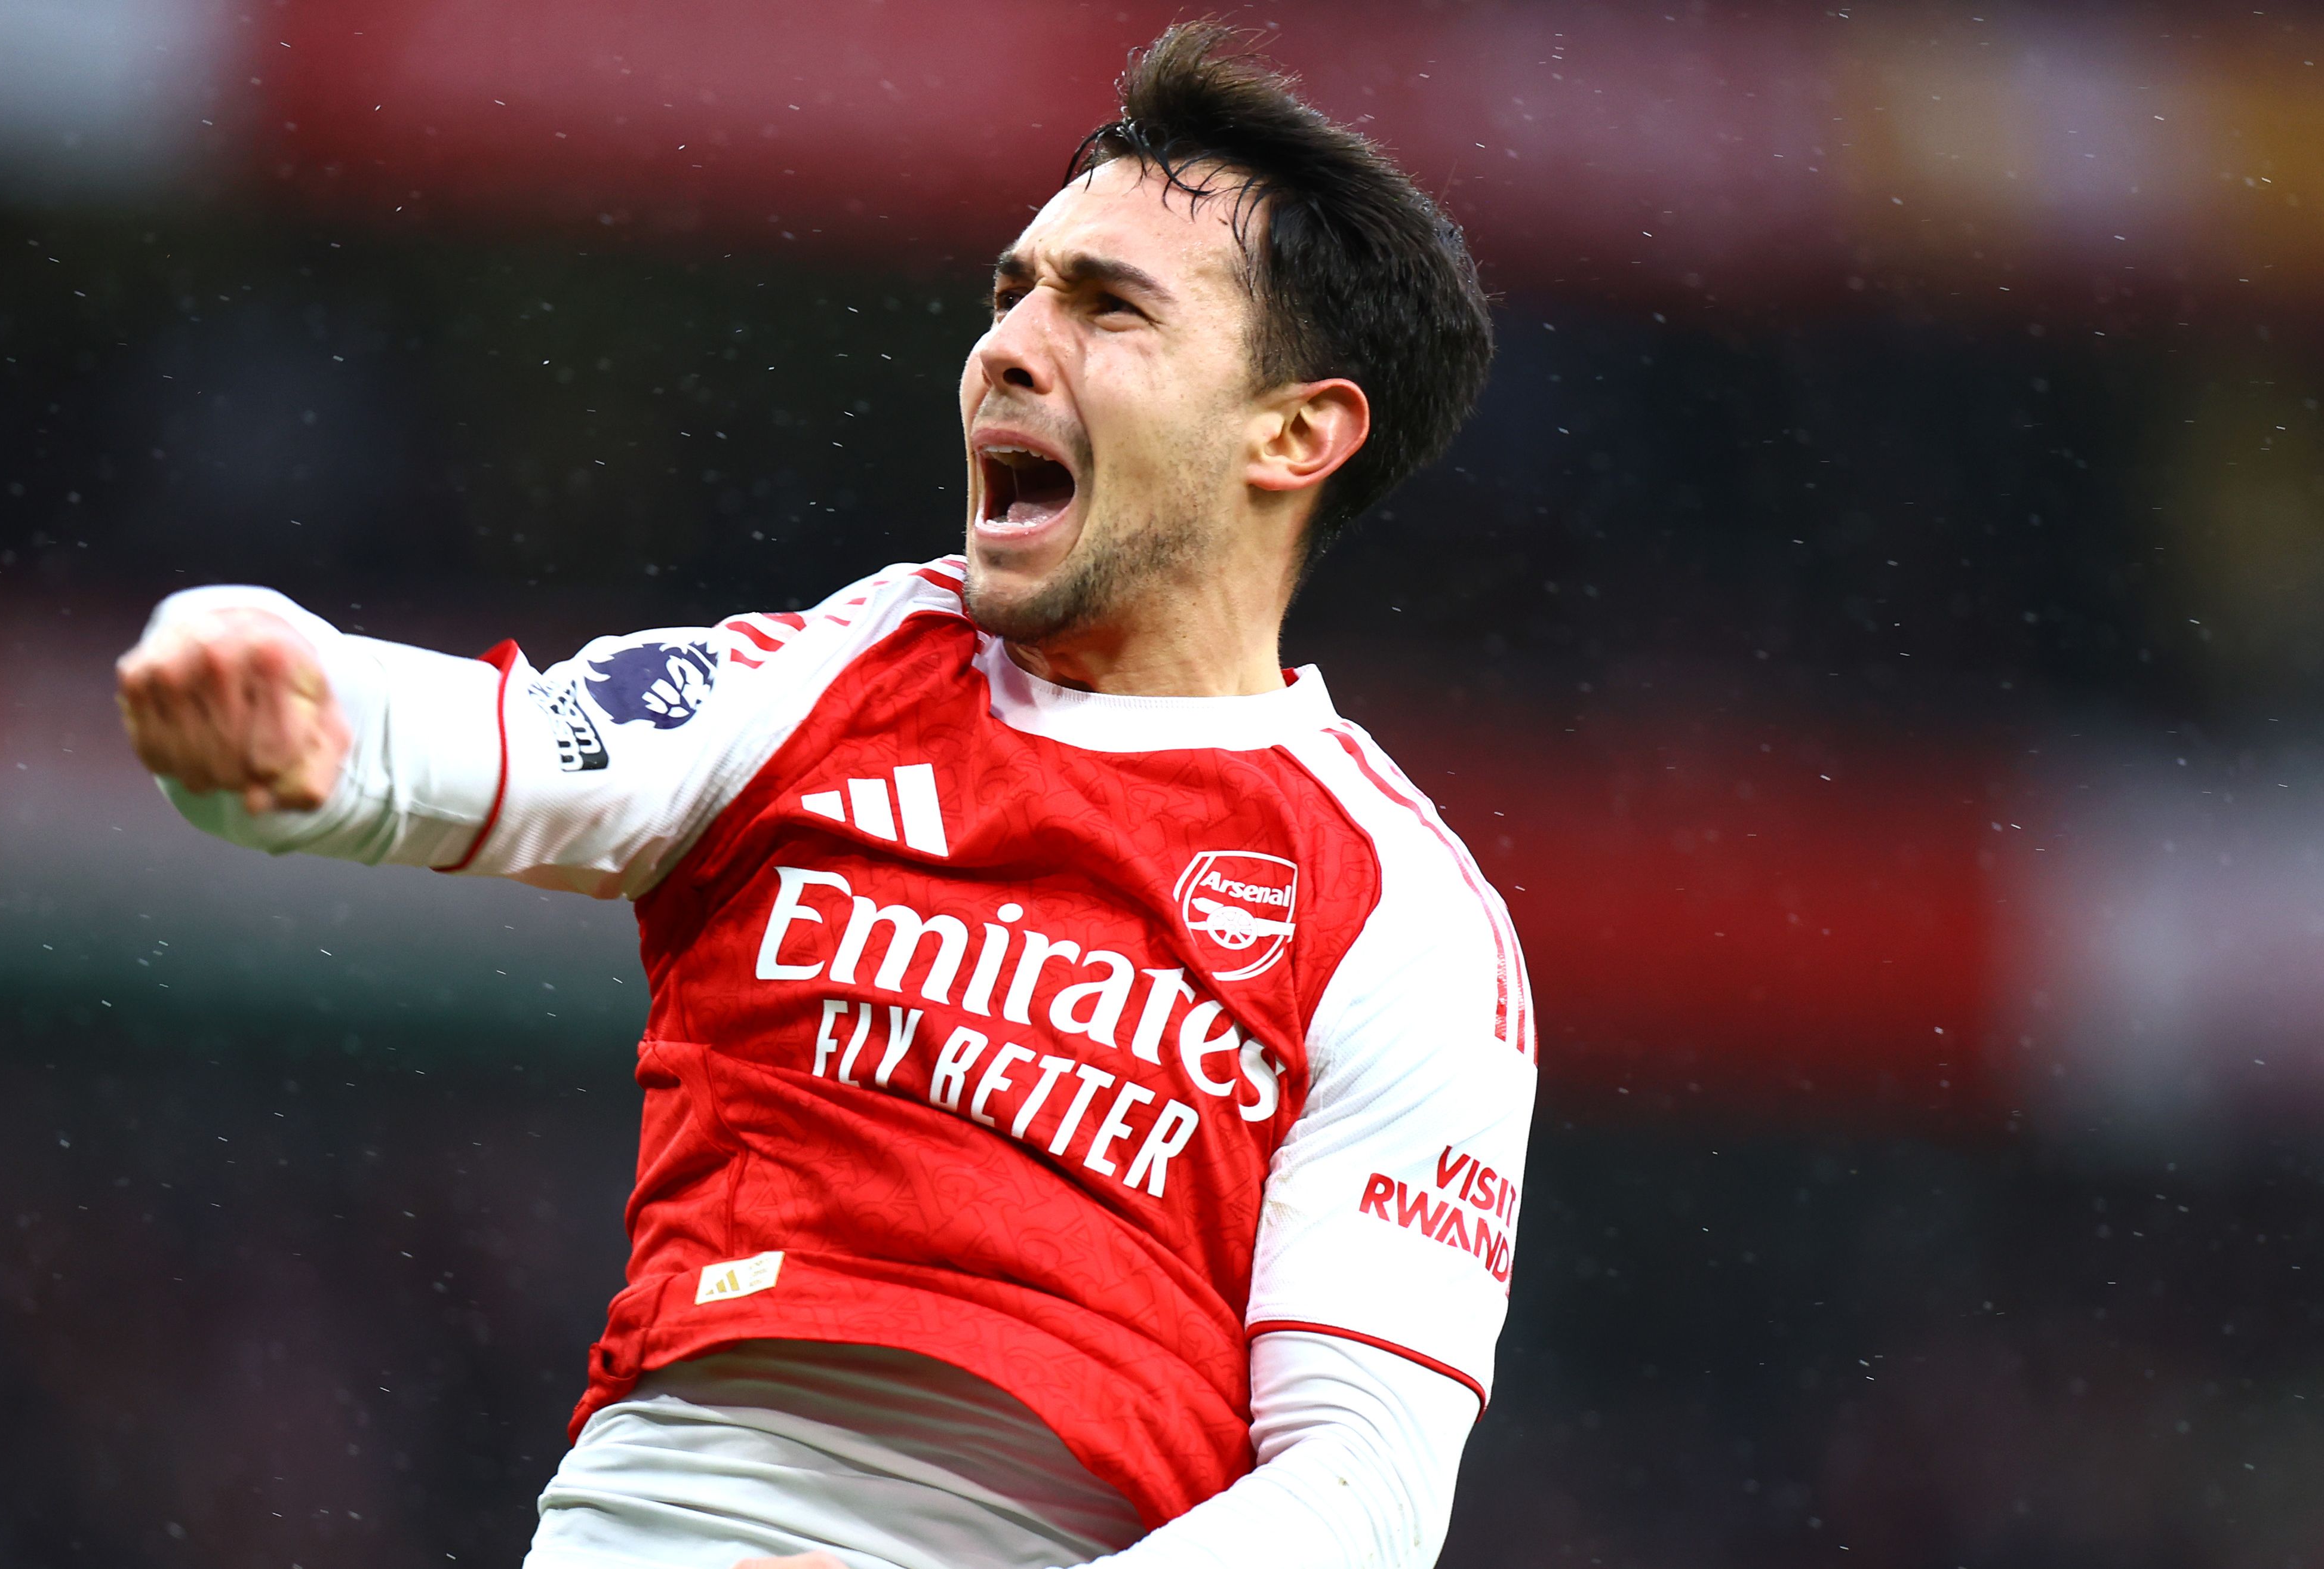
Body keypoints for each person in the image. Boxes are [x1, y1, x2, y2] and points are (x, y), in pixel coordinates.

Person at [112, 23, 1528, 1569]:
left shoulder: (1405, 920)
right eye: (1012, 294)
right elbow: (496, 744)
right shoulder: (828, 674)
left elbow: (1368, 1493)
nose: (1010, 348)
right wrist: (278, 703)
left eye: (1108, 306)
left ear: (1297, 432)